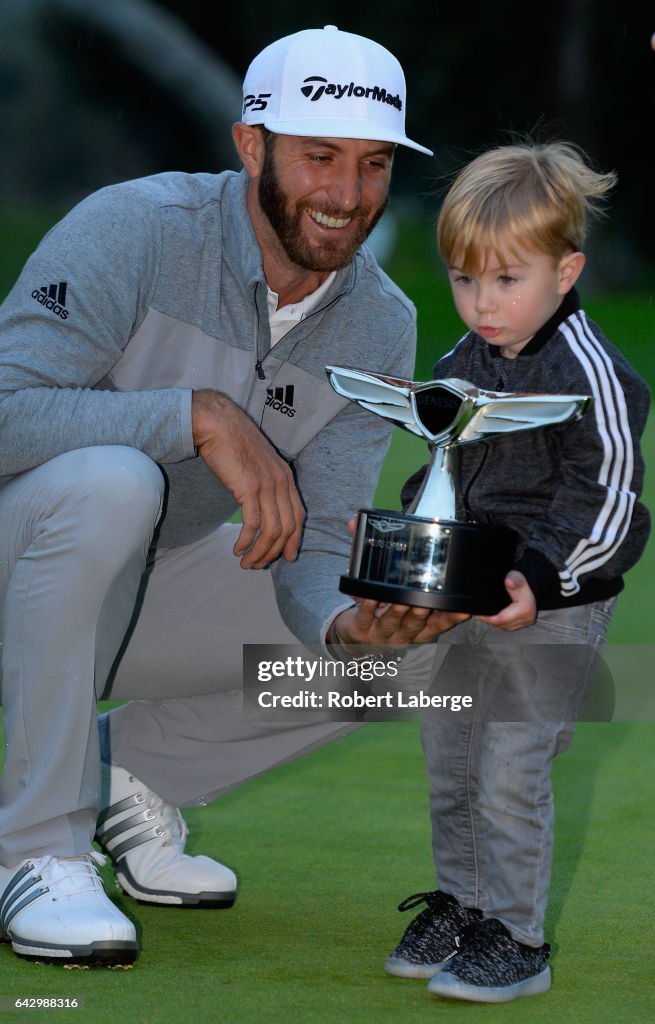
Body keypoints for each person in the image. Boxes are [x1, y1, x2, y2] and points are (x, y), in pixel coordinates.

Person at [0, 25, 462, 967]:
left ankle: (124, 773)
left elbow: (316, 541)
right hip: (23, 567)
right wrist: (196, 415)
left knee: (422, 650)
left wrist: (349, 626)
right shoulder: (135, 229)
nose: (345, 195)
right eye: (318, 156)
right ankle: (35, 848)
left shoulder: (378, 321)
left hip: (141, 601)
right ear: (251, 146)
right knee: (112, 481)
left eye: (373, 165)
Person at [383, 141, 651, 1002]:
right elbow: (442, 470)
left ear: (565, 270)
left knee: (508, 766)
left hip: (556, 600)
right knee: (450, 755)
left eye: (505, 280)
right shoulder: (460, 365)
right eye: (464, 279)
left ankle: (518, 939)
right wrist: (414, 540)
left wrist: (540, 576)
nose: (481, 303)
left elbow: (605, 496)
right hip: (469, 594)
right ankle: (463, 909)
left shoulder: (593, 375)